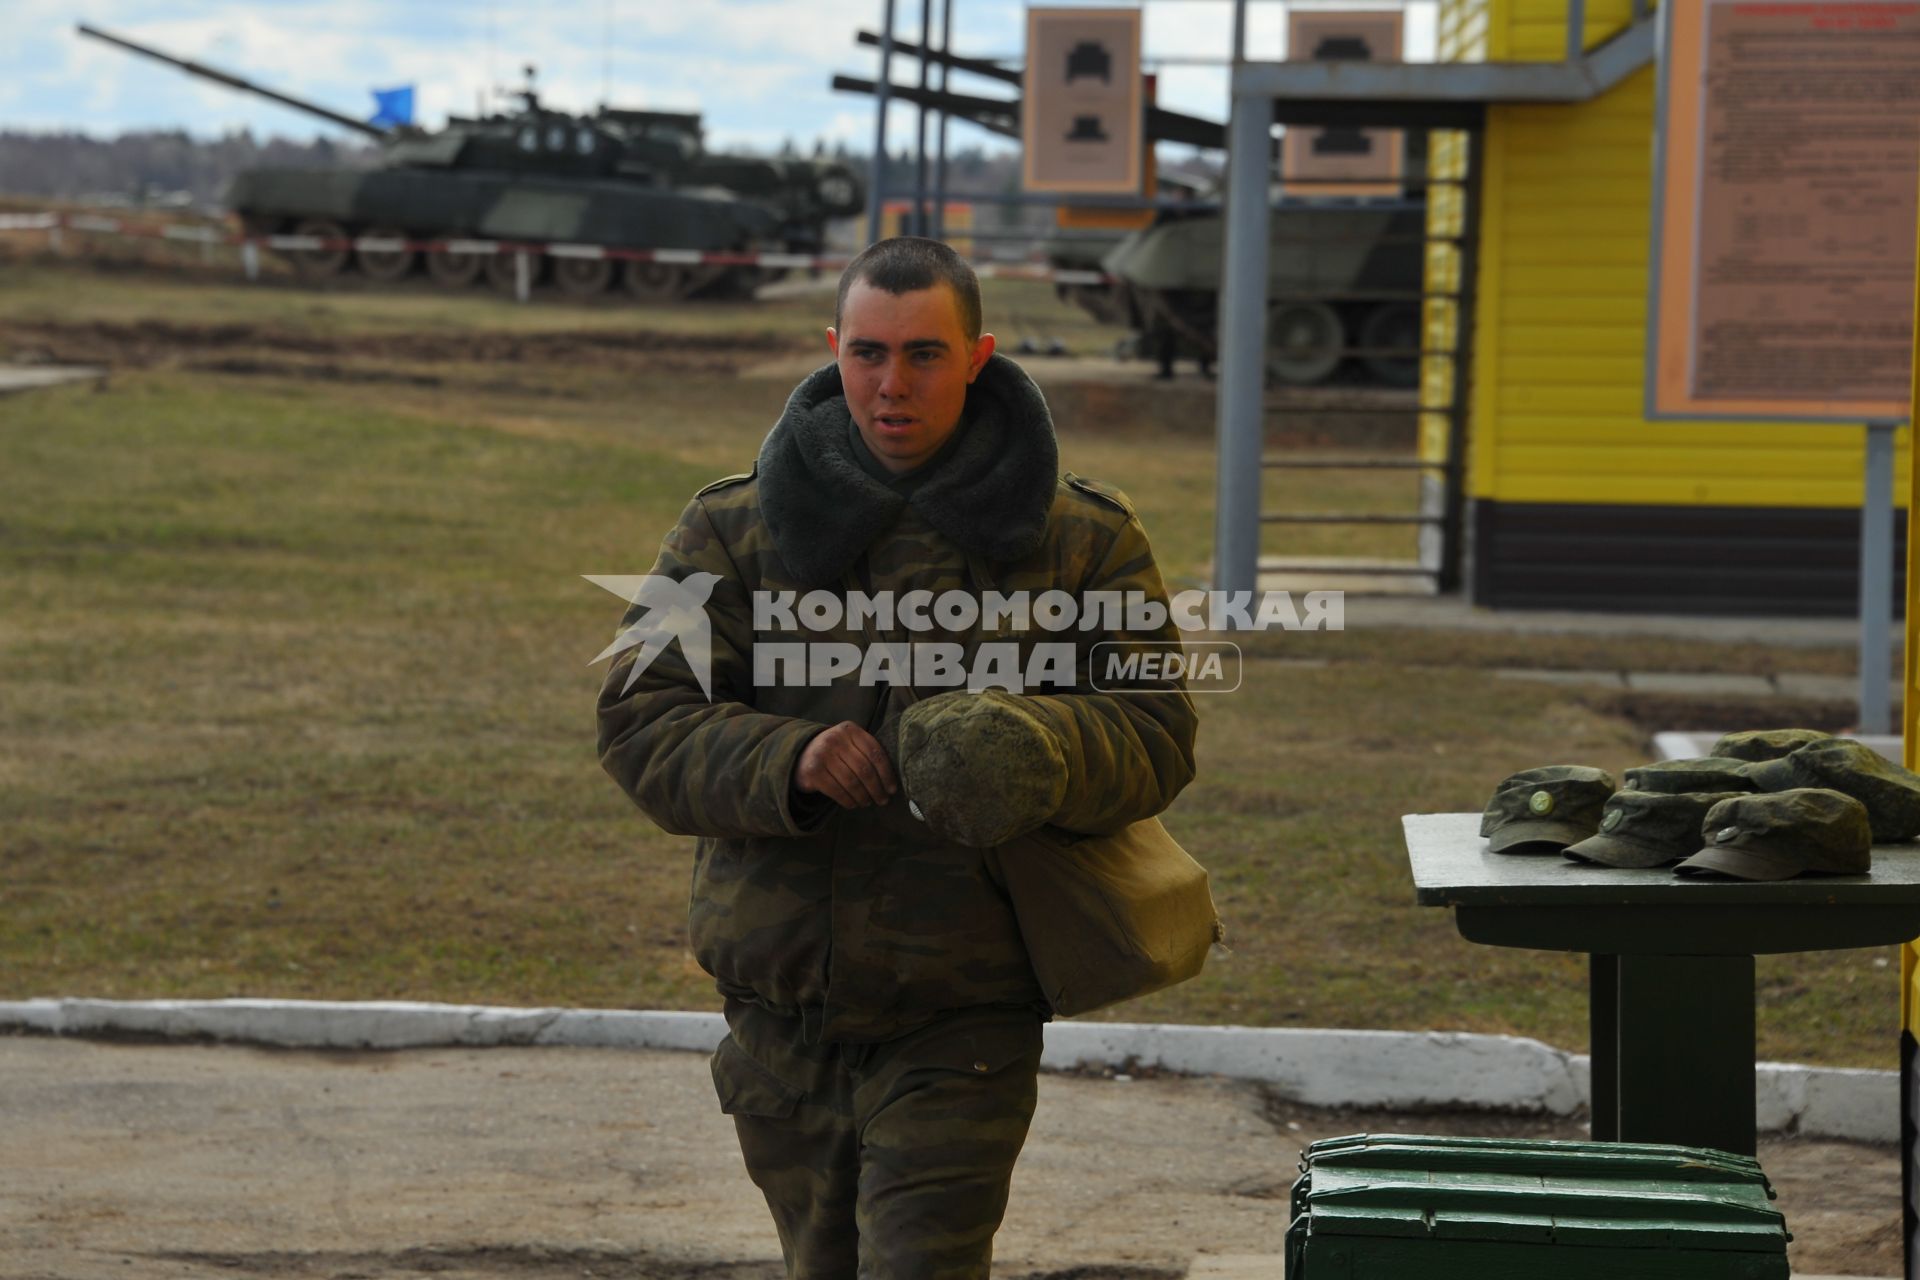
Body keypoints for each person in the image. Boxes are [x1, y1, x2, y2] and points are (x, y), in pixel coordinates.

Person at [596, 236, 1197, 1279]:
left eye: (925, 354)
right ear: (834, 349)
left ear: (979, 356)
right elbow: (641, 718)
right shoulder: (730, 529)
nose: (891, 383)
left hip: (963, 1009)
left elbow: (1155, 730)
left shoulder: (1082, 540)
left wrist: (1040, 746)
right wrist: (790, 756)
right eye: (868, 352)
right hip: (782, 1010)